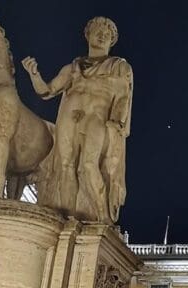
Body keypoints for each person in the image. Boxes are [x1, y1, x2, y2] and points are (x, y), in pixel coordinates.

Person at [22, 16, 133, 224]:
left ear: (112, 41)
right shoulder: (73, 67)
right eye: (98, 32)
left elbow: (123, 97)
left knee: (89, 165)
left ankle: (103, 216)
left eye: (107, 35)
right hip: (69, 117)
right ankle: (68, 217)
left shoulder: (118, 66)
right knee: (65, 165)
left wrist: (116, 122)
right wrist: (34, 74)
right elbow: (47, 91)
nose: (102, 36)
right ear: (88, 35)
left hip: (96, 118)